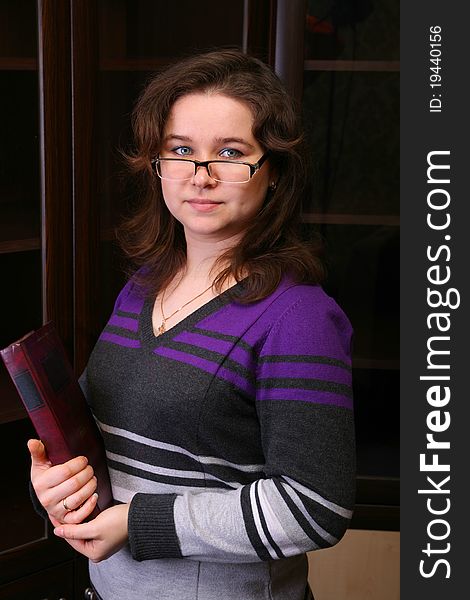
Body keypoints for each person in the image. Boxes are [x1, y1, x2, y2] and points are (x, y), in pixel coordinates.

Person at [28, 49, 356, 600]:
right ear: (156, 165)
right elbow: (92, 430)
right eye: (181, 150)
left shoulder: (299, 318)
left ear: (272, 172)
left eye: (230, 152)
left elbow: (314, 508)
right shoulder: (144, 285)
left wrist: (137, 522)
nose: (200, 176)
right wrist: (56, 481)